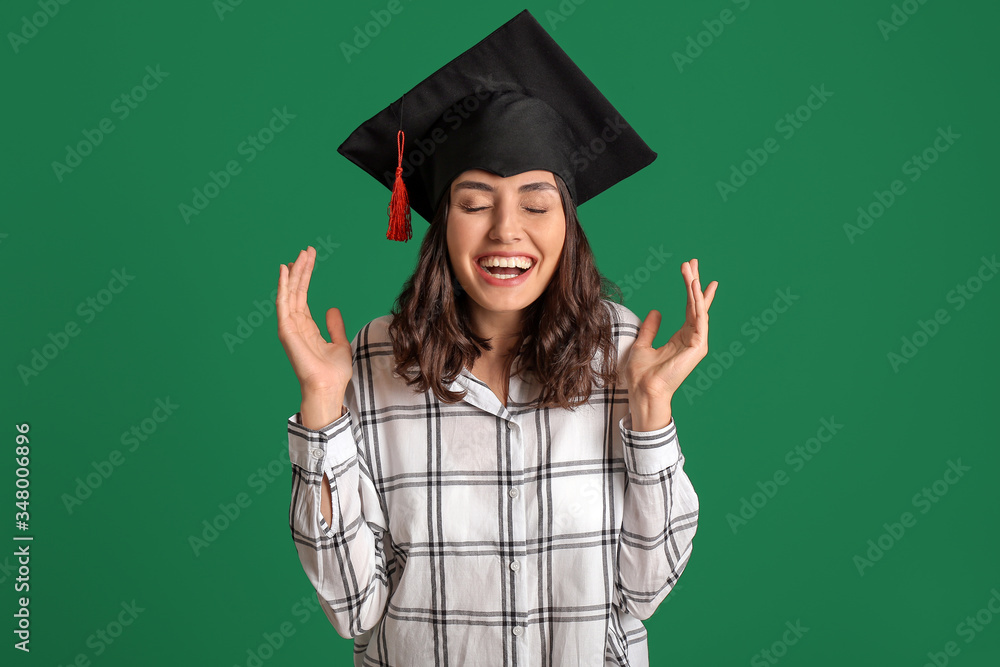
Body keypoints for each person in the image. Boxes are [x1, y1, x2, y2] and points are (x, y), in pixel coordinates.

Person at [277, 10, 718, 666]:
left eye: (536, 204)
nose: (507, 231)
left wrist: (651, 418)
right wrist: (321, 408)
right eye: (476, 202)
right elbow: (352, 607)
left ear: (568, 224)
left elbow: (645, 590)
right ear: (439, 225)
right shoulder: (367, 363)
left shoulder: (625, 356)